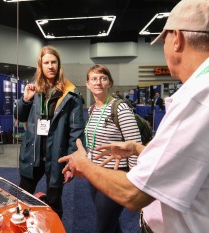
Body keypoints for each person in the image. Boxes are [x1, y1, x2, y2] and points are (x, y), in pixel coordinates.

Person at [59, 0, 209, 232]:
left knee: (105, 225)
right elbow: (188, 155)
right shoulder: (198, 92)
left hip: (131, 187)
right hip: (107, 177)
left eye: (164, 41)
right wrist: (138, 149)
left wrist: (84, 164)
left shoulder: (196, 97)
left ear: (176, 39)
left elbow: (135, 193)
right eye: (93, 79)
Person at [14, 45, 84, 218]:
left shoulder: (71, 95)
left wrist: (71, 163)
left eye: (53, 62)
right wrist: (25, 100)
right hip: (33, 154)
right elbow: (19, 116)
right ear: (41, 66)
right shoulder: (34, 91)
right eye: (46, 63)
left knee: (53, 202)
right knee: (22, 198)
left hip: (56, 157)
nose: (50, 66)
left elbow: (76, 131)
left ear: (59, 65)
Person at [85, 64, 141, 233]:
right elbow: (92, 143)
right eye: (94, 79)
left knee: (103, 227)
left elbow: (134, 143)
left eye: (103, 78)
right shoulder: (92, 110)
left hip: (115, 176)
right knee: (111, 223)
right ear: (87, 84)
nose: (98, 82)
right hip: (94, 174)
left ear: (110, 83)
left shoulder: (120, 108)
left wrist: (133, 178)